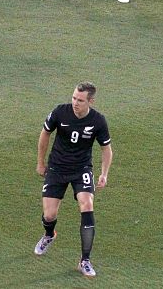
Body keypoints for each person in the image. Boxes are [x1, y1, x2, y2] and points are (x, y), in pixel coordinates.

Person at [35, 82, 112, 279]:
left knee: (87, 204)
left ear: (90, 101)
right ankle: (49, 235)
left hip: (81, 169)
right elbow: (45, 133)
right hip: (57, 168)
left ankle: (84, 260)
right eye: (74, 98)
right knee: (49, 215)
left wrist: (104, 174)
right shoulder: (60, 112)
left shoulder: (98, 121)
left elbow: (106, 149)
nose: (75, 103)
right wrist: (40, 163)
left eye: (80, 100)